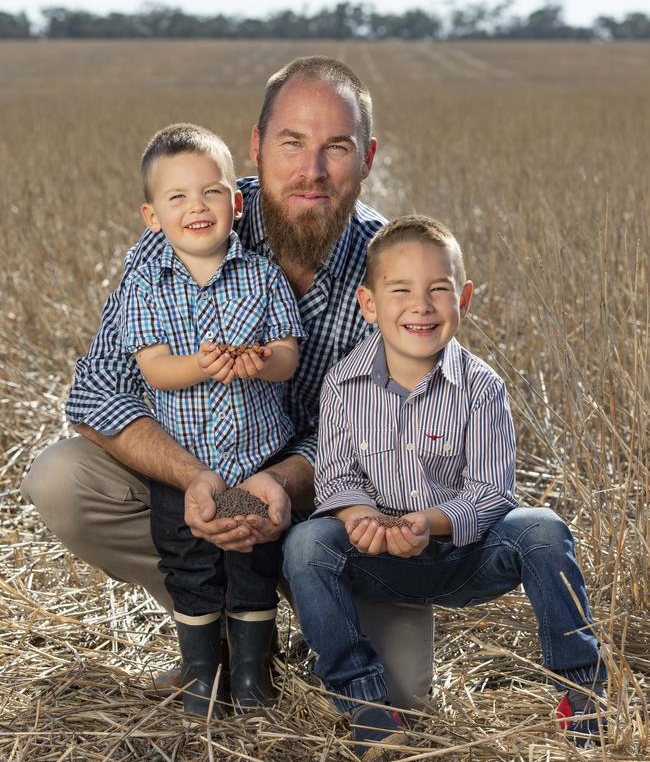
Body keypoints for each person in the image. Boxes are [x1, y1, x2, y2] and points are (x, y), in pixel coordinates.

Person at [21, 56, 434, 710]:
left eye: (337, 148)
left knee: (402, 695)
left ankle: (299, 614)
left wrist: (283, 480)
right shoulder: (191, 222)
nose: (311, 171)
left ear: (369, 157)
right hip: (201, 482)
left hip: (330, 506)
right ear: (256, 146)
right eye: (291, 143)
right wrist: (195, 480)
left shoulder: (399, 266)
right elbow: (98, 391)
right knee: (62, 481)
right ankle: (217, 638)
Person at [283, 215, 607, 759]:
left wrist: (426, 523)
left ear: (465, 298)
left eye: (439, 289)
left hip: (463, 557)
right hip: (377, 559)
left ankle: (581, 698)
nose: (421, 305)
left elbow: (489, 492)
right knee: (305, 545)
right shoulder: (342, 384)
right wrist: (362, 521)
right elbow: (336, 478)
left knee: (543, 530)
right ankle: (364, 704)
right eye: (401, 290)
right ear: (368, 303)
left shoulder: (480, 387)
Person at [119, 123, 303, 714]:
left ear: (236, 202)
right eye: (178, 198)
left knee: (251, 562)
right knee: (190, 567)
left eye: (212, 193)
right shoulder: (147, 282)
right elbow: (153, 371)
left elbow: (289, 358)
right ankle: (203, 677)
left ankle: (252, 678)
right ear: (153, 216)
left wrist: (259, 359)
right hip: (187, 466)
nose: (197, 207)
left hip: (254, 460)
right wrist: (201, 364)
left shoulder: (261, 274)